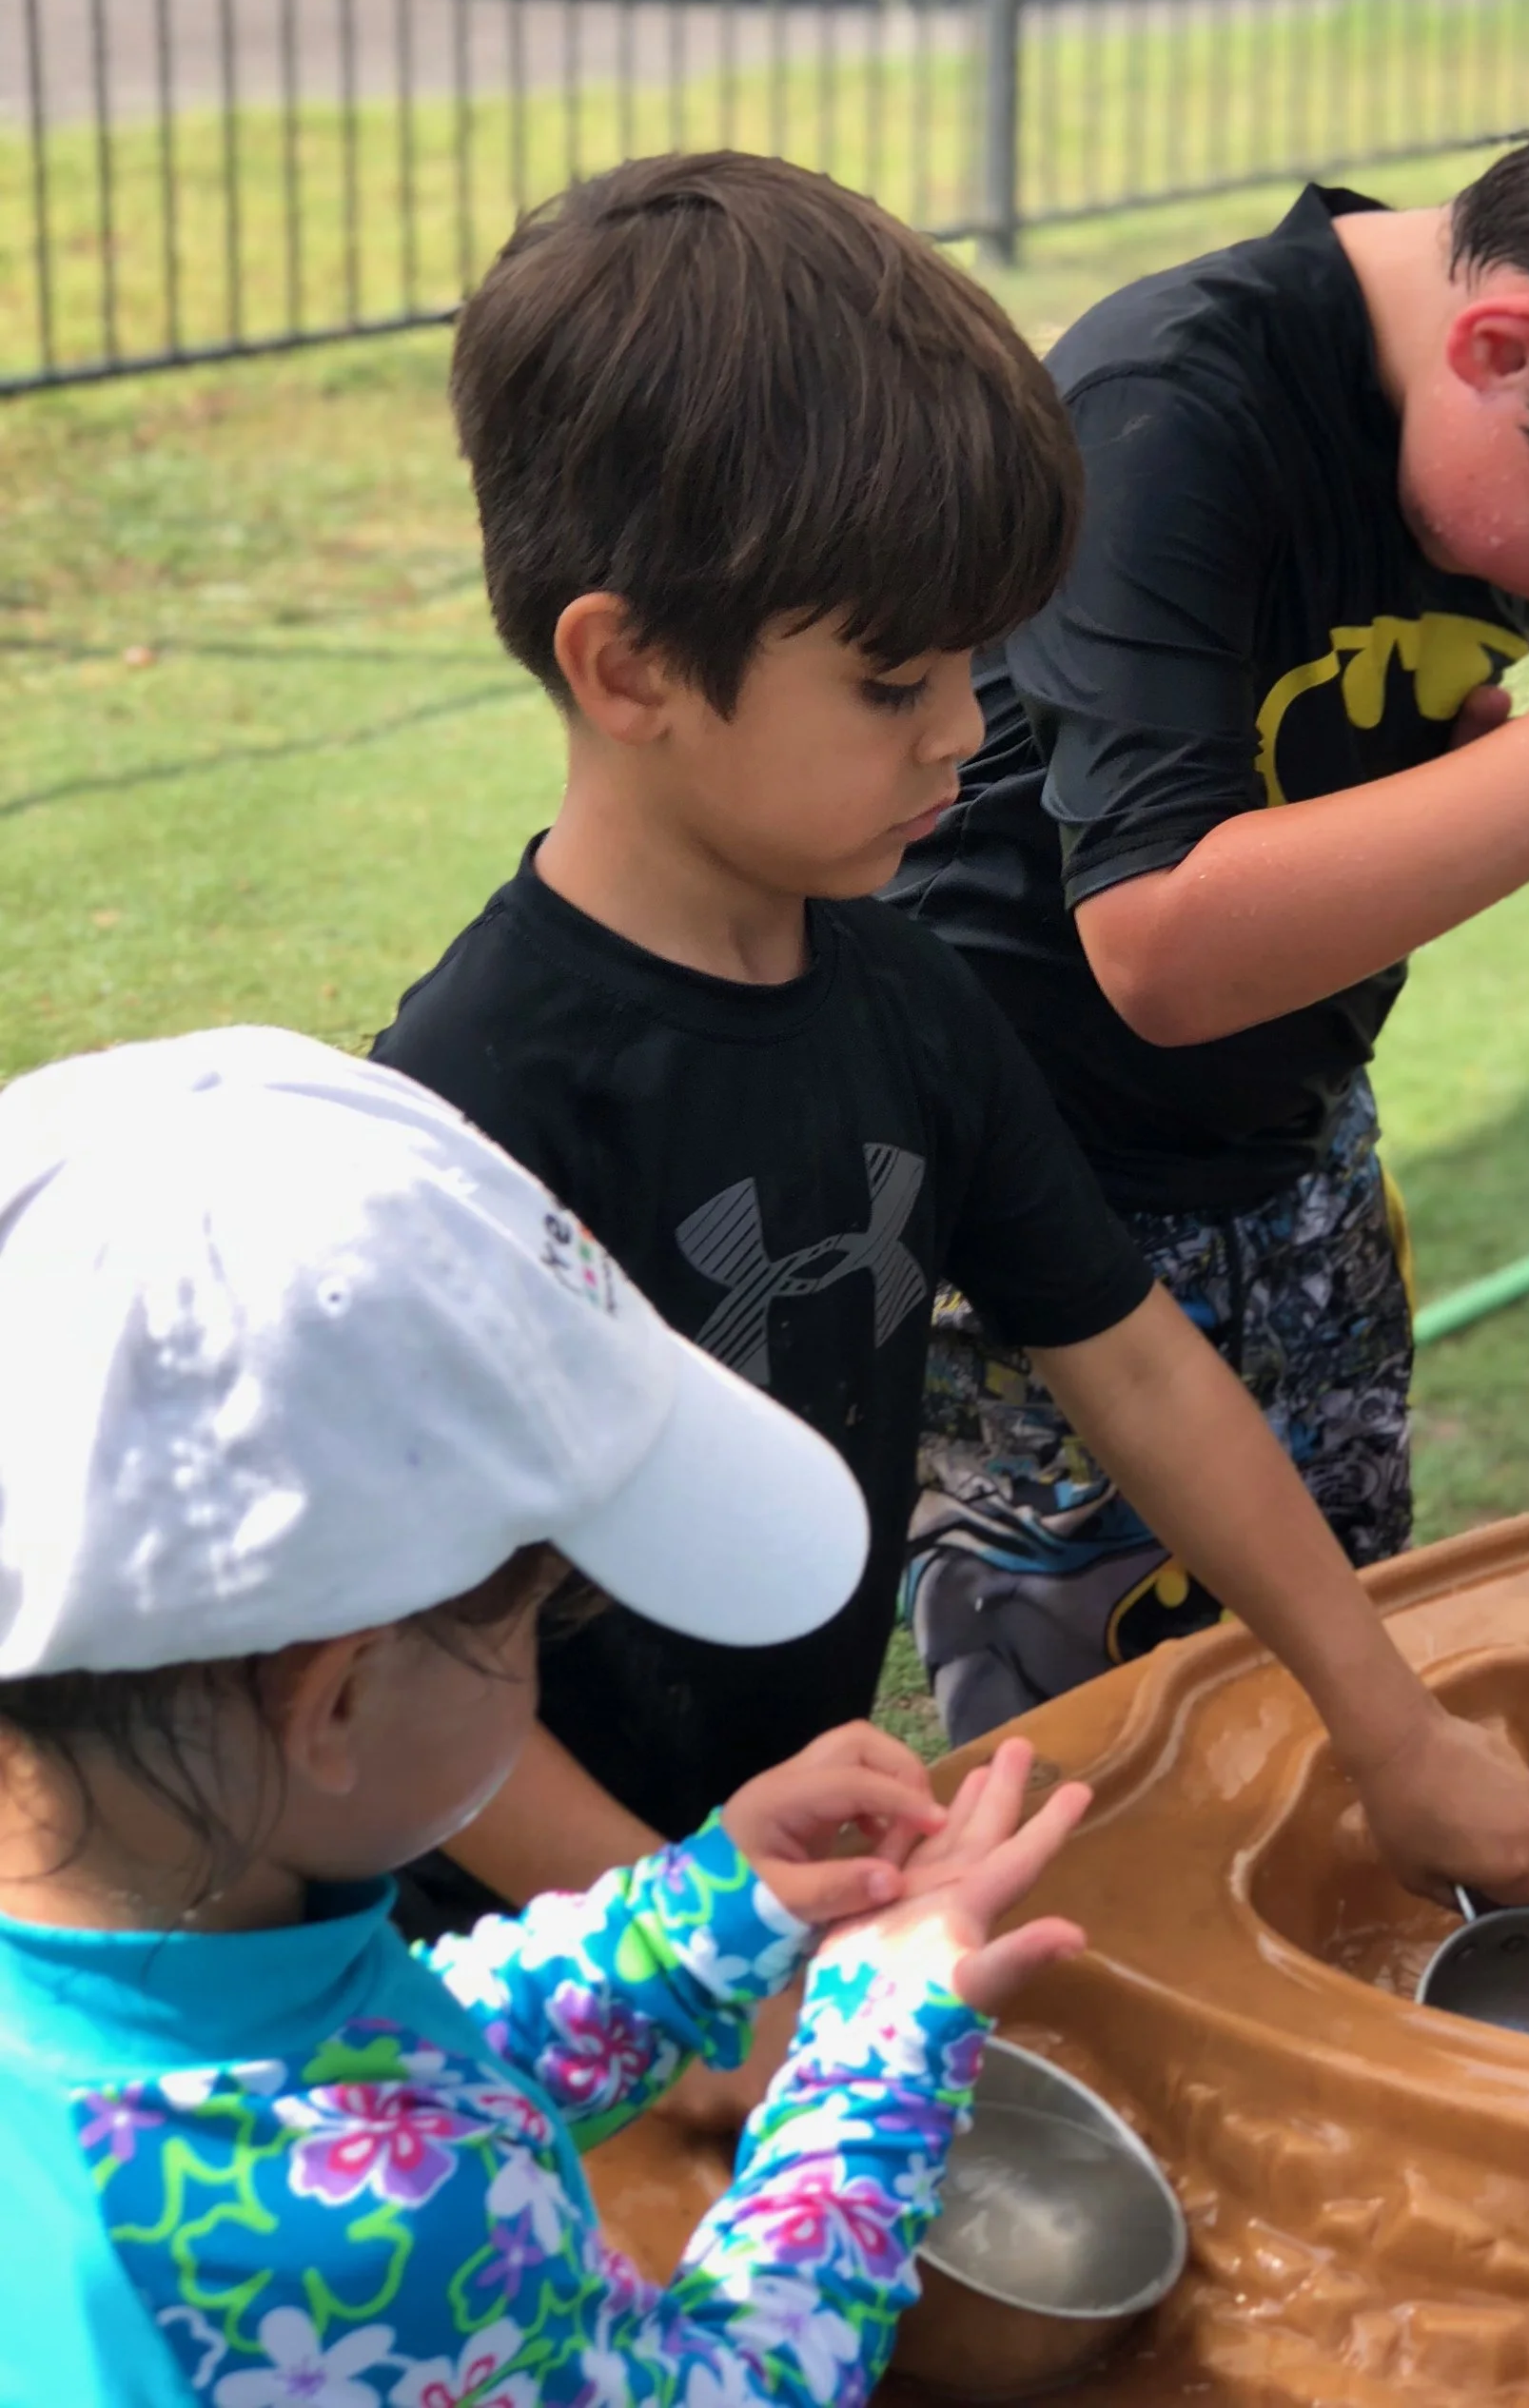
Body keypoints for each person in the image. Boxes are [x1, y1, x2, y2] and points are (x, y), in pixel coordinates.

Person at [372, 149, 1529, 2060]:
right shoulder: (477, 1099)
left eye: (976, 666)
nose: (957, 736)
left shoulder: (906, 996)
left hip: (771, 1878)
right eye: (894, 680)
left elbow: (1146, 1371)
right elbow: (398, 1679)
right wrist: (701, 1986)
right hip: (505, 1963)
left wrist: (1387, 1714)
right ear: (632, 664)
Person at [891, 88, 1529, 1737]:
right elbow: (1162, 943)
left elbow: (1370, 769)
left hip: (1296, 1158)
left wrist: (1510, 794)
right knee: (1094, 1751)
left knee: (1324, 1698)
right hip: (1039, 1203)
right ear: (1506, 347)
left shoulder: (1498, 423)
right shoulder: (1168, 410)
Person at [0, 1024, 1093, 2408]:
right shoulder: (366, 2240)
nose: (536, 1658)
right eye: (531, 1622)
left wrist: (698, 1919)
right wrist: (876, 2060)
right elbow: (721, 2387)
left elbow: (391, 2047)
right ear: (334, 1698)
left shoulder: (159, 1956)